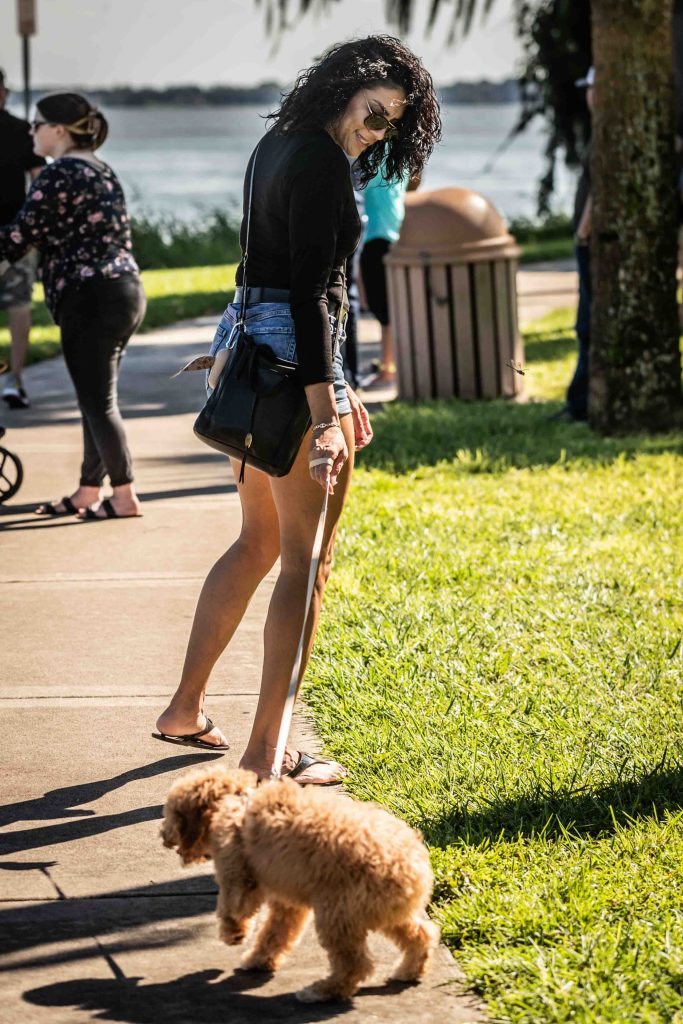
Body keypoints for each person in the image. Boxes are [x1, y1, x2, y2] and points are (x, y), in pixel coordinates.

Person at [155, 35, 441, 783]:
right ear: (344, 90)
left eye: (390, 124)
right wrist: (324, 417)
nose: (376, 131)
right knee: (305, 563)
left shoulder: (276, 142)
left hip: (252, 344)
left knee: (257, 543)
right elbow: (312, 294)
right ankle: (266, 754)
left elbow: (275, 272)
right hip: (291, 357)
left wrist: (342, 384)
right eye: (373, 113)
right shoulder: (318, 161)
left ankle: (185, 708)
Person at [0, 92, 146, 519]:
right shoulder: (100, 169)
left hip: (89, 298)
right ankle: (88, 489)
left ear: (59, 131)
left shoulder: (59, 172)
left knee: (98, 402)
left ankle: (124, 495)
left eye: (37, 124)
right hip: (124, 291)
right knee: (94, 397)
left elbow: (18, 236)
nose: (31, 132)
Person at [0, 68, 46, 409]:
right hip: (17, 231)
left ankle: (13, 379)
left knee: (18, 306)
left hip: (16, 234)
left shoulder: (20, 130)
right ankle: (13, 380)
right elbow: (41, 183)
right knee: (18, 306)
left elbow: (40, 180)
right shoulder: (21, 130)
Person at [555, 66, 594, 422]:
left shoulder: (609, 134)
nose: (589, 94)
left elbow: (599, 189)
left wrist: (583, 231)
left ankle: (580, 403)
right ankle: (578, 400)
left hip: (592, 244)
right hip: (587, 243)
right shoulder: (601, 131)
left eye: (594, 87)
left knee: (587, 326)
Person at [358, 161, 412, 388]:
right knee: (389, 308)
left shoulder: (376, 160)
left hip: (377, 240)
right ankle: (390, 366)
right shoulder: (404, 162)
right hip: (395, 238)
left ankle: (388, 369)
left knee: (383, 310)